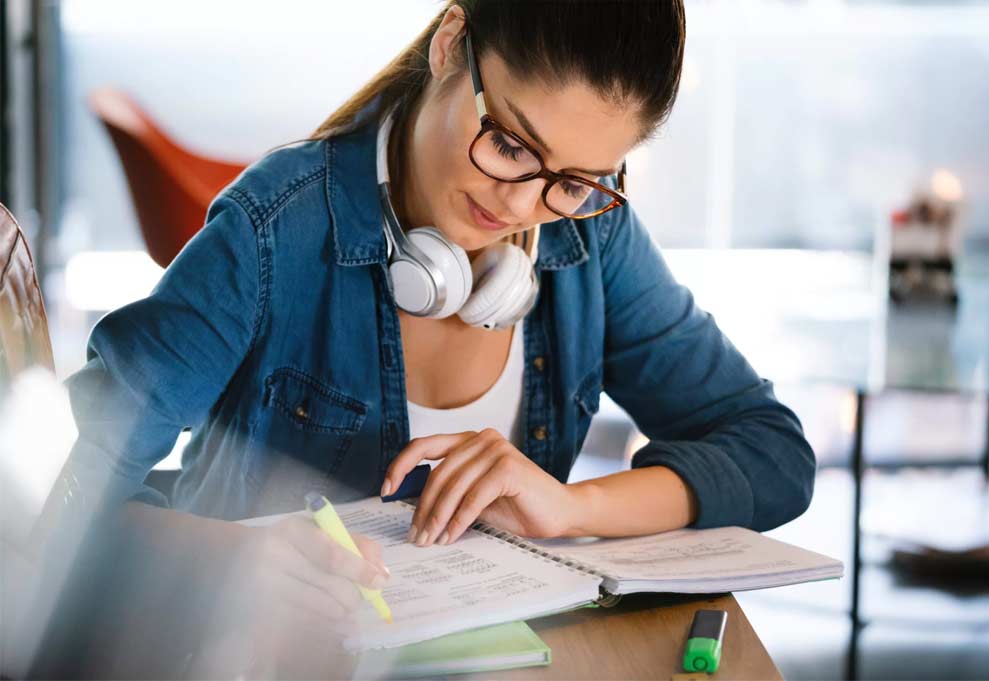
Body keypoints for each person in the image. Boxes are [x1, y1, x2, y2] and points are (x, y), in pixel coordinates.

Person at [55, 0, 814, 667]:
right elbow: (55, 485)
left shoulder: (588, 242)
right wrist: (233, 557)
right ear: (451, 43)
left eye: (574, 183)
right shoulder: (272, 231)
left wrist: (571, 507)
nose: (521, 207)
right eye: (512, 145)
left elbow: (772, 451)